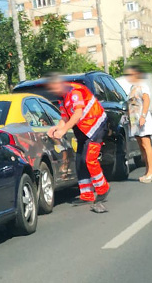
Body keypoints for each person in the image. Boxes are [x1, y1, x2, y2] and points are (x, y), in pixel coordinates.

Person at [46, 73, 110, 213]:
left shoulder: (74, 92)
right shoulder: (62, 98)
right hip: (84, 129)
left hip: (95, 126)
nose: (52, 91)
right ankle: (86, 194)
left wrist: (63, 131)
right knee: (80, 160)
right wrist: (57, 127)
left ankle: (102, 189)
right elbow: (64, 117)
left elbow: (77, 114)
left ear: (59, 84)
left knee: (89, 159)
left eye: (53, 88)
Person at [125, 65, 152, 183]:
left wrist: (143, 116)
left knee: (146, 144)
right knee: (141, 146)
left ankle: (151, 171)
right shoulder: (133, 87)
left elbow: (146, 100)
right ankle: (149, 171)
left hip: (142, 119)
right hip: (134, 120)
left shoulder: (143, 85)